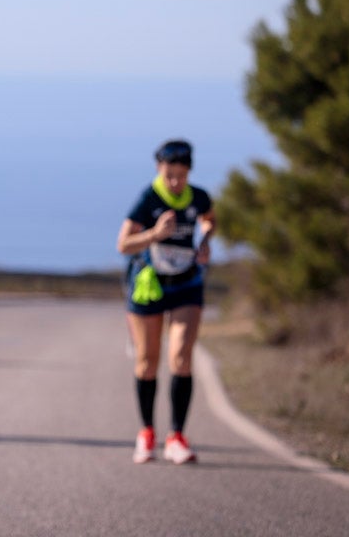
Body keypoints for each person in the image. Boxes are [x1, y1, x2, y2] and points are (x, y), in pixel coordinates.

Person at [116, 139, 215, 465]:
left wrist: (206, 239)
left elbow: (208, 219)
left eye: (181, 176)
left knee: (181, 358)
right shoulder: (148, 199)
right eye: (169, 175)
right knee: (147, 360)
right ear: (159, 169)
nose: (174, 182)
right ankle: (146, 433)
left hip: (187, 284)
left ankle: (177, 437)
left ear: (189, 172)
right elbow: (124, 244)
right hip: (149, 286)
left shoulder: (198, 197)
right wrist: (155, 235)